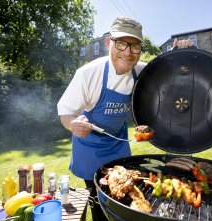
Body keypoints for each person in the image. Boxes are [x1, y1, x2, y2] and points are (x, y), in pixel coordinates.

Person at [57, 16, 194, 221]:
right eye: (121, 44)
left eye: (135, 46)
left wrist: (181, 53)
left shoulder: (139, 70)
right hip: (89, 147)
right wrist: (73, 124)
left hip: (118, 144)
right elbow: (65, 111)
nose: (128, 53)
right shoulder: (88, 74)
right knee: (100, 207)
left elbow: (167, 70)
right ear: (108, 43)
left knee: (126, 203)